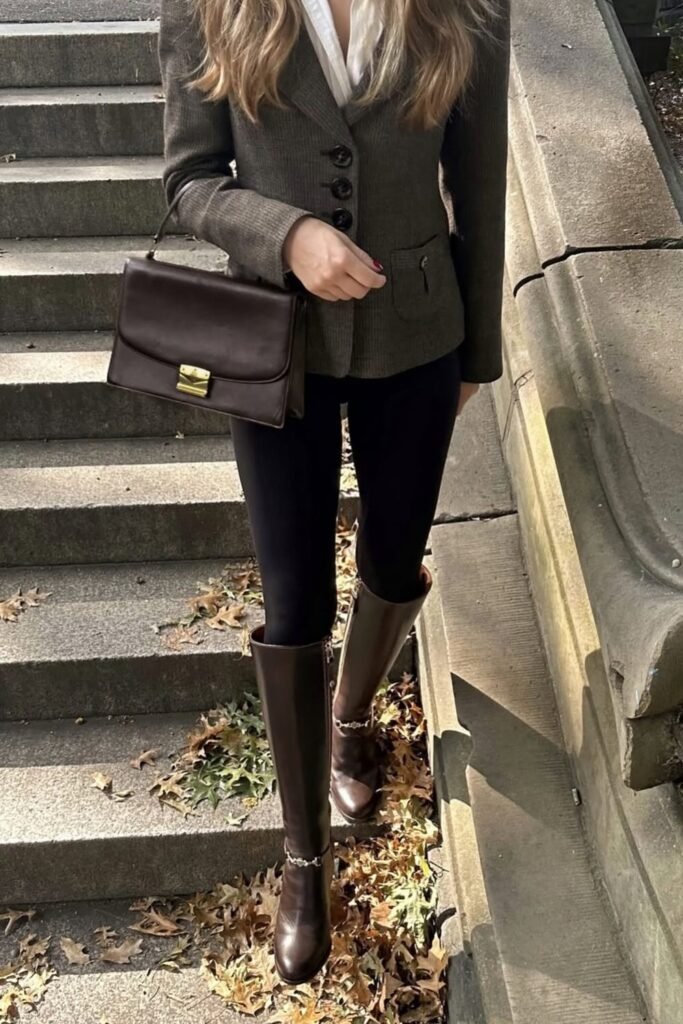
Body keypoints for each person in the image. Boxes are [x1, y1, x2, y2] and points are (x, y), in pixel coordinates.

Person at [158, 0, 510, 985]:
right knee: (294, 604)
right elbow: (189, 178)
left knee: (393, 560)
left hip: (417, 336)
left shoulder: (467, 8)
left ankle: (353, 717)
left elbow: (478, 181)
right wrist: (289, 234)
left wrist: (477, 349)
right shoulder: (210, 6)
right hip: (276, 344)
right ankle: (304, 855)